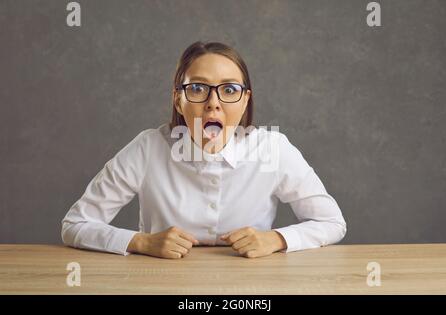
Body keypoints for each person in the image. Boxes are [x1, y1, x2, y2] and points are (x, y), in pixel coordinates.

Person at [61, 41, 346, 259]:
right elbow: (75, 224)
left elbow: (332, 222)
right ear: (178, 100)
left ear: (245, 101)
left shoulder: (272, 148)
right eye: (197, 88)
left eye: (229, 90)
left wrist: (276, 239)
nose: (213, 103)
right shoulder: (148, 148)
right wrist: (141, 242)